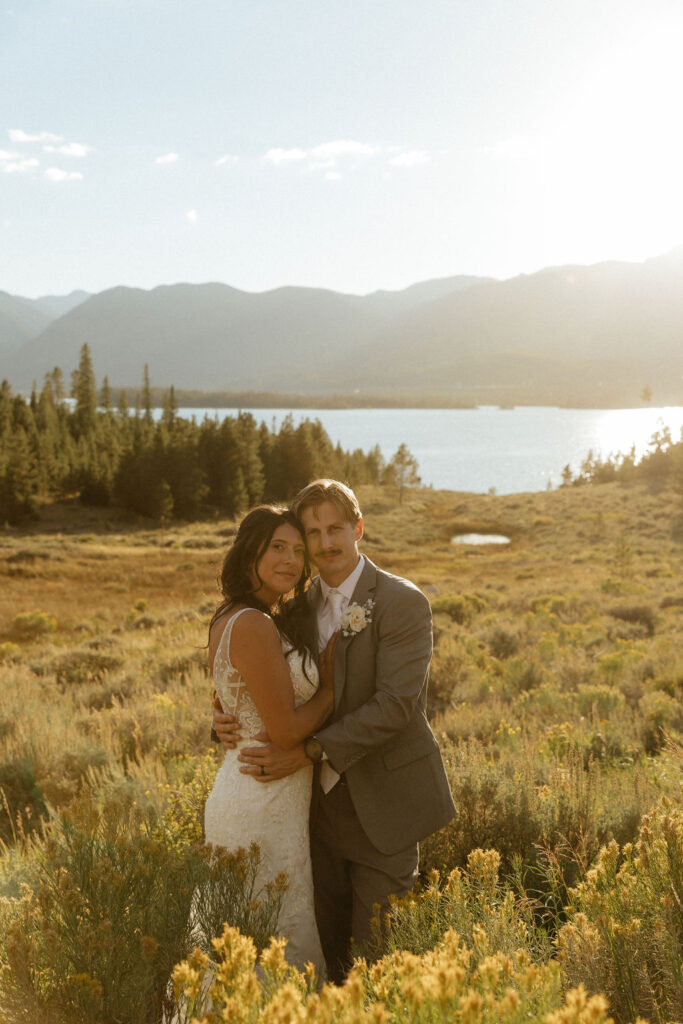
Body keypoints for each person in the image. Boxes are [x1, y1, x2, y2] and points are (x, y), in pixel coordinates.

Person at [214, 480, 456, 983]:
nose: (324, 544)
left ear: (358, 529)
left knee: (377, 964)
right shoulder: (292, 606)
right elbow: (258, 676)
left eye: (335, 529)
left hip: (383, 807)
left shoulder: (401, 602)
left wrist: (308, 752)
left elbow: (395, 706)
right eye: (312, 533)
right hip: (309, 819)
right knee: (317, 957)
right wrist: (223, 716)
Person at [205, 504, 337, 976]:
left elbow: (237, 699)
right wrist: (329, 692)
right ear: (249, 554)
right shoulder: (255, 624)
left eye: (298, 550)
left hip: (255, 791)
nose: (291, 560)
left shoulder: (237, 617)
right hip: (261, 799)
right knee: (272, 931)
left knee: (254, 933)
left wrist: (218, 717)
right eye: (278, 547)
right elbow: (282, 732)